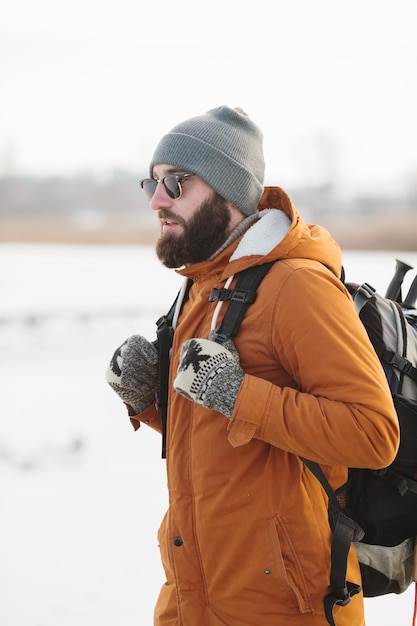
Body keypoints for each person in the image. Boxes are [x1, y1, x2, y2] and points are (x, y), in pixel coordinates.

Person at [106, 106, 399, 625]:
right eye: (152, 183)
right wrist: (152, 400)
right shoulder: (201, 286)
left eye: (177, 183)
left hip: (288, 607)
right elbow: (222, 434)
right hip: (193, 597)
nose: (156, 201)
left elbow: (374, 435)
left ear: (228, 192)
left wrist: (238, 393)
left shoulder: (296, 286)